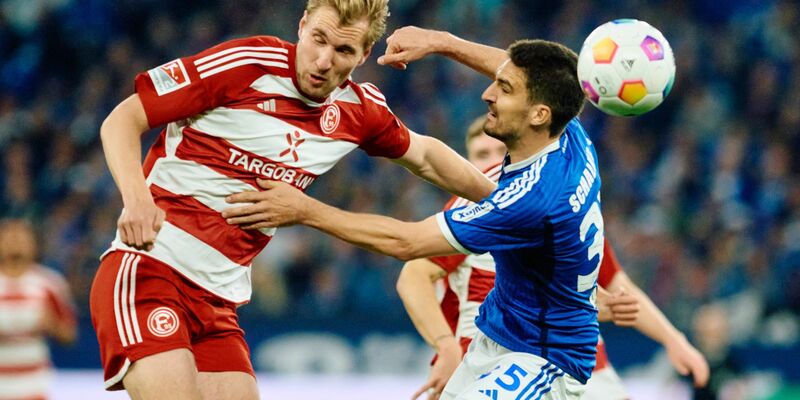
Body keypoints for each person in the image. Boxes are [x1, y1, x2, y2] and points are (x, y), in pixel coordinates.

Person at [90, 1, 496, 399]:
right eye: (318, 39)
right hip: (150, 270)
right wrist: (137, 199)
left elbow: (425, 156)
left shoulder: (358, 111)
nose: (323, 61)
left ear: (364, 54)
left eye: (343, 51)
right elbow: (123, 119)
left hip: (218, 303)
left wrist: (505, 199)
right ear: (302, 25)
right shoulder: (247, 63)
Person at [225, 34, 601, 399]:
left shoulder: (532, 201)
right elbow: (519, 70)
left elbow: (407, 243)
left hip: (546, 359)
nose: (487, 93)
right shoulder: (569, 133)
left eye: (503, 90)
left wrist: (306, 210)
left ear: (539, 113)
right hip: (502, 335)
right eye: (497, 83)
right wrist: (442, 43)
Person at [394, 116, 645, 400]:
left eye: (500, 152)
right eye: (481, 155)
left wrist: (605, 306)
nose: (492, 162)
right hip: (487, 363)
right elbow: (413, 275)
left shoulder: (552, 209)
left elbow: (571, 287)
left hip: (547, 361)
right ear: (466, 162)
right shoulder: (468, 213)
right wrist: (445, 346)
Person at [0, 219, 77, 400]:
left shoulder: (49, 283)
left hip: (33, 383)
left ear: (33, 245)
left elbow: (70, 335)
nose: (15, 243)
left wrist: (51, 325)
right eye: (9, 238)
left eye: (21, 238)